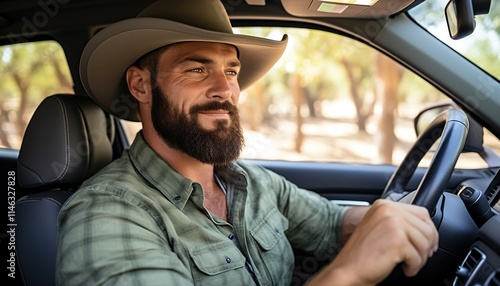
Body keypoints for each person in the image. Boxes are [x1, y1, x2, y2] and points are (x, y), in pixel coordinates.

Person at [56, 0, 439, 285]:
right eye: (196, 68)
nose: (226, 90)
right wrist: (349, 273)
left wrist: (390, 217)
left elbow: (332, 223)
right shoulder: (108, 213)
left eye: (232, 70)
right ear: (141, 85)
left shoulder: (251, 183)